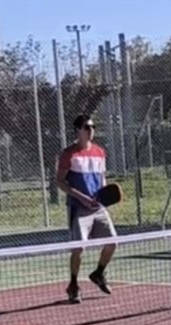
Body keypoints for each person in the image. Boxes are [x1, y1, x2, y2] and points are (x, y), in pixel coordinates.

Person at [55, 114, 117, 304]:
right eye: (87, 127)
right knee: (79, 247)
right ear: (78, 130)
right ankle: (73, 285)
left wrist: (103, 197)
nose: (91, 130)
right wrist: (81, 197)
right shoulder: (68, 154)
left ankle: (98, 273)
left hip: (98, 208)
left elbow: (102, 178)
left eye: (93, 127)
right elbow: (60, 182)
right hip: (79, 208)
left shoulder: (100, 152)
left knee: (113, 243)